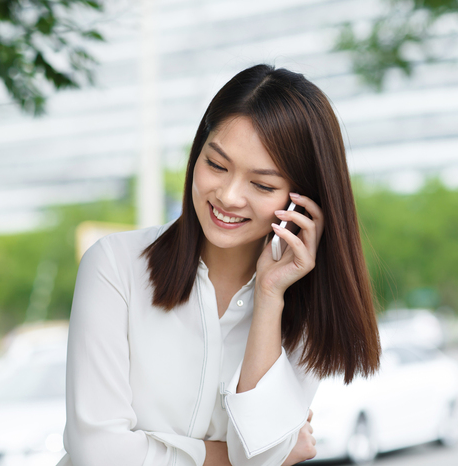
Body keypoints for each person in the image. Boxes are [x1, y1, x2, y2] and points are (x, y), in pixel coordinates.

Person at [58, 64, 381, 466]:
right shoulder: (115, 265)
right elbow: (99, 453)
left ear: (300, 201)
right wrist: (232, 458)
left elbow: (260, 451)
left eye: (262, 185)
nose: (228, 196)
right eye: (216, 165)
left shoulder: (308, 310)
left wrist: (269, 296)